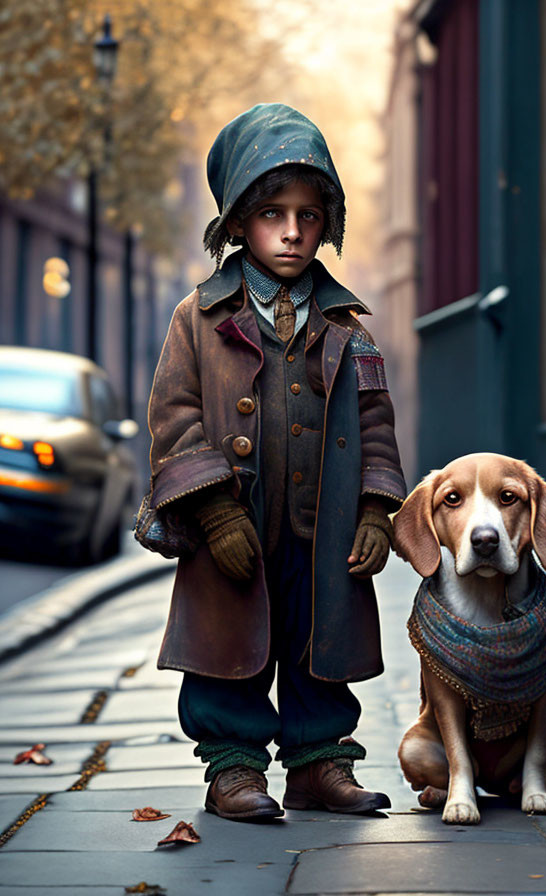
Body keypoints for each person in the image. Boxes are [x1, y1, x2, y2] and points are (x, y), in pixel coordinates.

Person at [135, 103, 406, 822]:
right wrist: (215, 510)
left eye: (309, 215)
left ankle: (321, 766)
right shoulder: (197, 317)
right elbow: (175, 418)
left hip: (325, 528)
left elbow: (375, 423)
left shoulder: (346, 325)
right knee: (229, 652)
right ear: (237, 224)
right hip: (237, 530)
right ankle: (233, 771)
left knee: (321, 647)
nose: (292, 231)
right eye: (271, 214)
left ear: (327, 224)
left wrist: (377, 509)